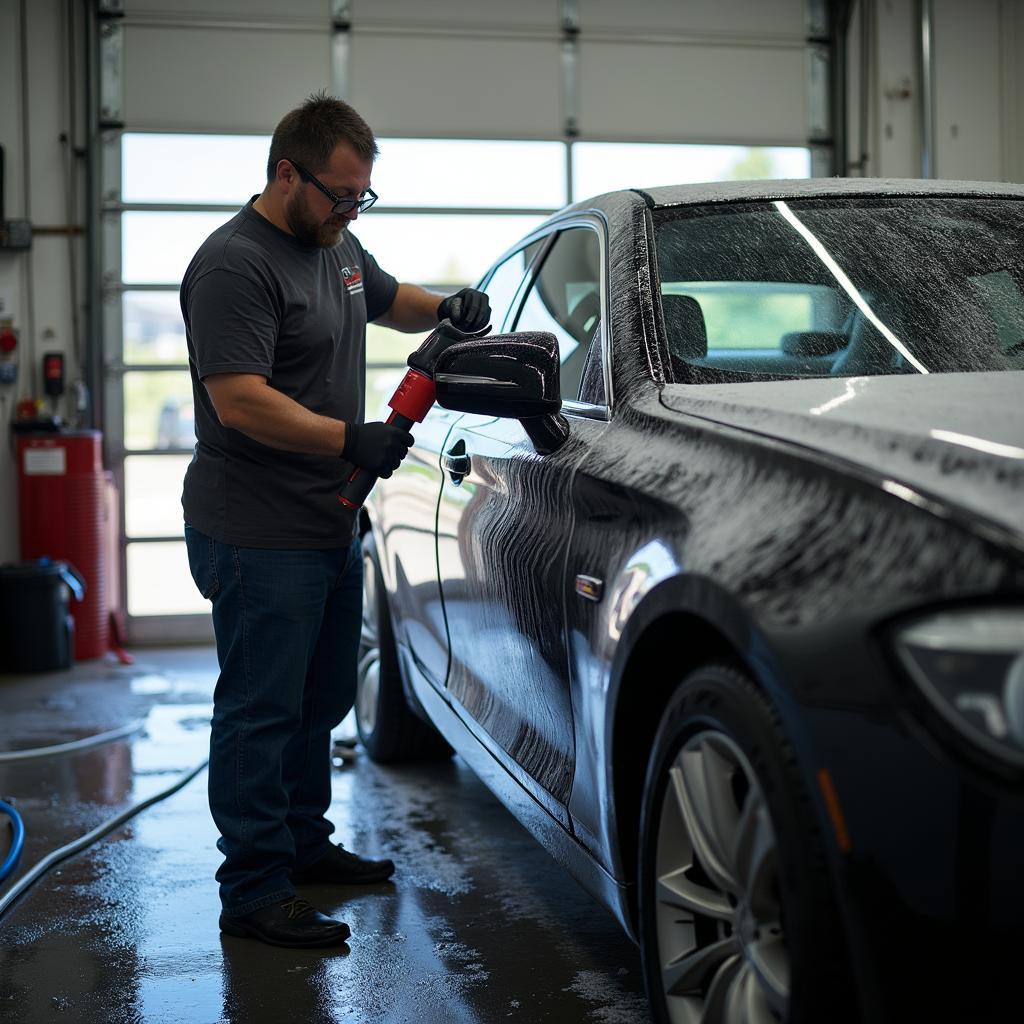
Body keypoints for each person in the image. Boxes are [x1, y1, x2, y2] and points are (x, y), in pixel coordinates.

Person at [180, 91, 490, 949]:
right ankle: (252, 890)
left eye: (363, 197)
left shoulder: (337, 242)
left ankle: (303, 850)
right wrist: (352, 438)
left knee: (318, 700)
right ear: (287, 173)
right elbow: (240, 402)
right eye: (339, 194)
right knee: (260, 710)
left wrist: (446, 309)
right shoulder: (234, 266)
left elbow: (384, 297)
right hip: (255, 530)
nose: (351, 210)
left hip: (325, 523)